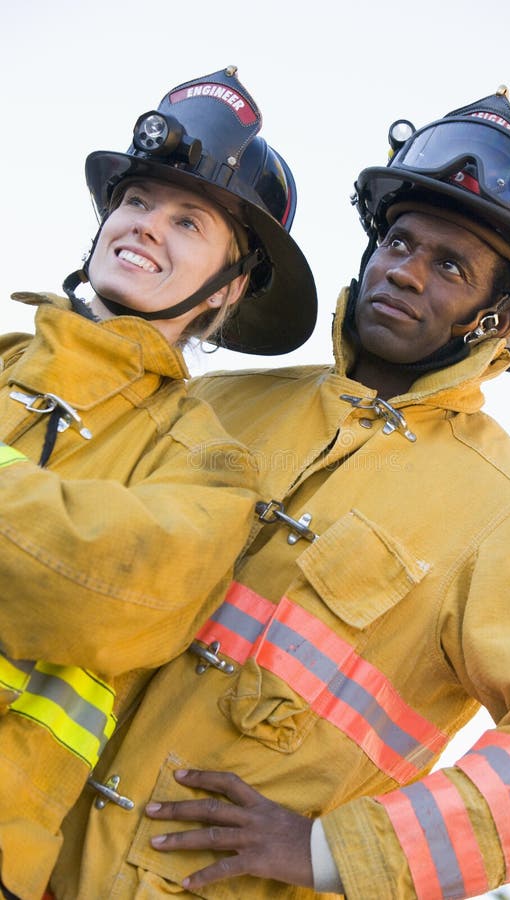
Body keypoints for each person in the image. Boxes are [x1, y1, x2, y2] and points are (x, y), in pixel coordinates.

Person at [50, 88, 510, 899]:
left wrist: (332, 850)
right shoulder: (215, 403)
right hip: (33, 857)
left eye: (450, 266)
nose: (407, 272)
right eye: (400, 242)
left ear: (502, 314)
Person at [0, 66, 316, 900]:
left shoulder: (207, 466)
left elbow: (98, 590)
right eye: (136, 202)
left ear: (232, 286)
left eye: (188, 221)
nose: (145, 227)